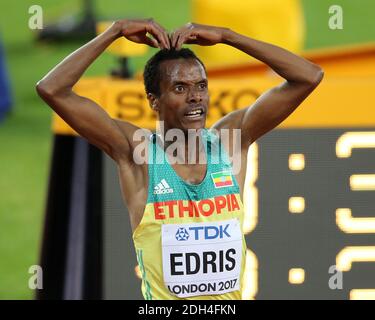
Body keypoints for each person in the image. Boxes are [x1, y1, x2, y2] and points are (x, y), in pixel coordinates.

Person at [36, 19, 323, 300]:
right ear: (153, 100)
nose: (195, 97)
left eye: (200, 86)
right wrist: (114, 32)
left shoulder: (230, 141)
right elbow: (52, 89)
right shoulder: (138, 153)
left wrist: (228, 36)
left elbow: (308, 76)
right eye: (180, 88)